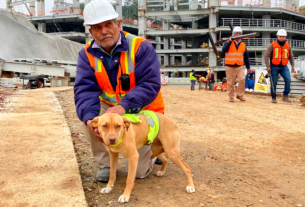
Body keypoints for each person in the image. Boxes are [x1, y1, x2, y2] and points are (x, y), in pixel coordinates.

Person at [74, 0, 165, 183]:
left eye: (108, 24)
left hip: (143, 109)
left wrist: (124, 106)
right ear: (91, 32)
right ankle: (106, 164)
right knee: (90, 117)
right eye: (97, 27)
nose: (104, 31)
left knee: (139, 172)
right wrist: (92, 120)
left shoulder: (141, 47)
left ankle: (152, 154)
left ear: (118, 25)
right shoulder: (86, 54)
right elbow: (85, 90)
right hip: (110, 108)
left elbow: (149, 84)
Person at [222, 26, 254, 102]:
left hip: (240, 66)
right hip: (229, 66)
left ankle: (240, 95)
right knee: (230, 83)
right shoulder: (228, 42)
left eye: (240, 33)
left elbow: (246, 56)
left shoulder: (243, 45)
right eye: (237, 33)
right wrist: (229, 41)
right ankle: (231, 97)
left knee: (242, 79)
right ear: (233, 34)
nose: (238, 34)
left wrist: (248, 67)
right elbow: (224, 50)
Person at [265, 29, 295, 103]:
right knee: (274, 82)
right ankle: (274, 97)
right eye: (280, 36)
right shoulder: (272, 45)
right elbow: (266, 55)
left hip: (284, 66)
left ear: (285, 37)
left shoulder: (287, 45)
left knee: (288, 79)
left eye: (283, 37)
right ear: (277, 36)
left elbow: (291, 56)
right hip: (274, 66)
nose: (281, 38)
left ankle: (285, 96)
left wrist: (292, 66)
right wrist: (267, 66)